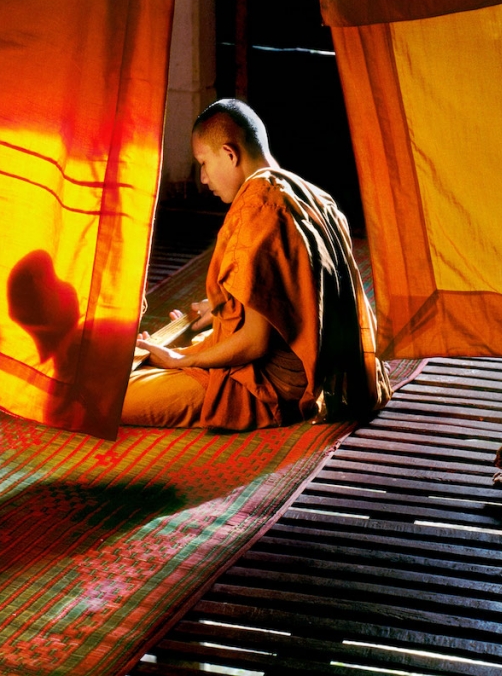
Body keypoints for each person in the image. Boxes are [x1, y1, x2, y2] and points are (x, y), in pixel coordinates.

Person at [121, 99, 390, 430]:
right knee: (152, 355)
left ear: (230, 154)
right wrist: (221, 307)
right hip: (329, 367)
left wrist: (185, 359)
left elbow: (255, 342)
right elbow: (293, 290)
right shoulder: (313, 196)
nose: (203, 178)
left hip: (270, 384)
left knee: (111, 394)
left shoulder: (259, 210)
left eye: (204, 163)